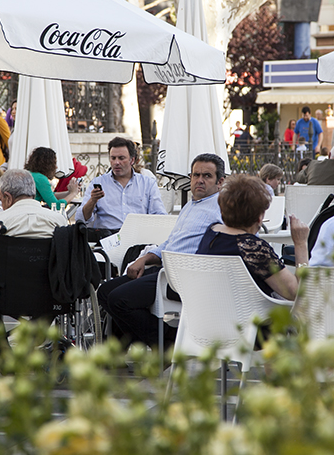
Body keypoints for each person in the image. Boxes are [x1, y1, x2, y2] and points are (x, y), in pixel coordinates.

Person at [97, 153, 225, 349]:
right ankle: (159, 342)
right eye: (195, 175)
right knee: (105, 291)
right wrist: (145, 259)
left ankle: (166, 343)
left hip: (184, 277)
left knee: (118, 299)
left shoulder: (221, 208)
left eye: (207, 176)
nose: (199, 180)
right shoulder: (191, 205)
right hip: (164, 270)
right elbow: (170, 242)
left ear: (220, 181)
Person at [197, 174, 307, 300]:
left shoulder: (210, 232)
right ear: (260, 217)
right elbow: (298, 294)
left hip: (209, 314)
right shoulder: (253, 248)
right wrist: (300, 244)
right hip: (253, 317)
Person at [78, 137, 166, 238]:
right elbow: (81, 218)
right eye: (113, 158)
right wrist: (92, 201)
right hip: (107, 239)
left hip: (138, 239)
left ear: (132, 160)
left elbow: (160, 216)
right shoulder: (98, 182)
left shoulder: (147, 184)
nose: (116, 162)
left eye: (121, 158)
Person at [0, 169, 67, 261]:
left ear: (8, 198)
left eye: (1, 201)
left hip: (8, 275)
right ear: (33, 194)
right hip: (47, 275)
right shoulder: (59, 220)